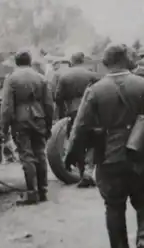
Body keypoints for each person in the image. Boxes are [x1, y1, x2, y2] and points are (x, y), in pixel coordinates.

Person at [65, 44, 144, 248]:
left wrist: (71, 155)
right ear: (125, 58)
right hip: (140, 157)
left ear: (107, 62)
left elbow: (80, 127)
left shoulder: (95, 90)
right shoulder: (141, 85)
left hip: (109, 157)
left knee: (114, 208)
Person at [0, 50, 54, 205]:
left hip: (20, 120)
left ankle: (31, 193)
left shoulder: (11, 79)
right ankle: (43, 191)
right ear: (30, 62)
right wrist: (49, 125)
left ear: (16, 62)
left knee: (26, 155)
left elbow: (7, 107)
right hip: (40, 118)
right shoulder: (41, 78)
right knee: (40, 153)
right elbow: (49, 104)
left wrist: (4, 128)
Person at [55, 52, 102, 187]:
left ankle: (82, 173)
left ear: (71, 61)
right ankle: (90, 170)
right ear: (82, 60)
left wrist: (62, 115)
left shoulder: (64, 76)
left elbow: (58, 97)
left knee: (77, 142)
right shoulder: (91, 75)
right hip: (91, 112)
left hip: (73, 112)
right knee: (93, 141)